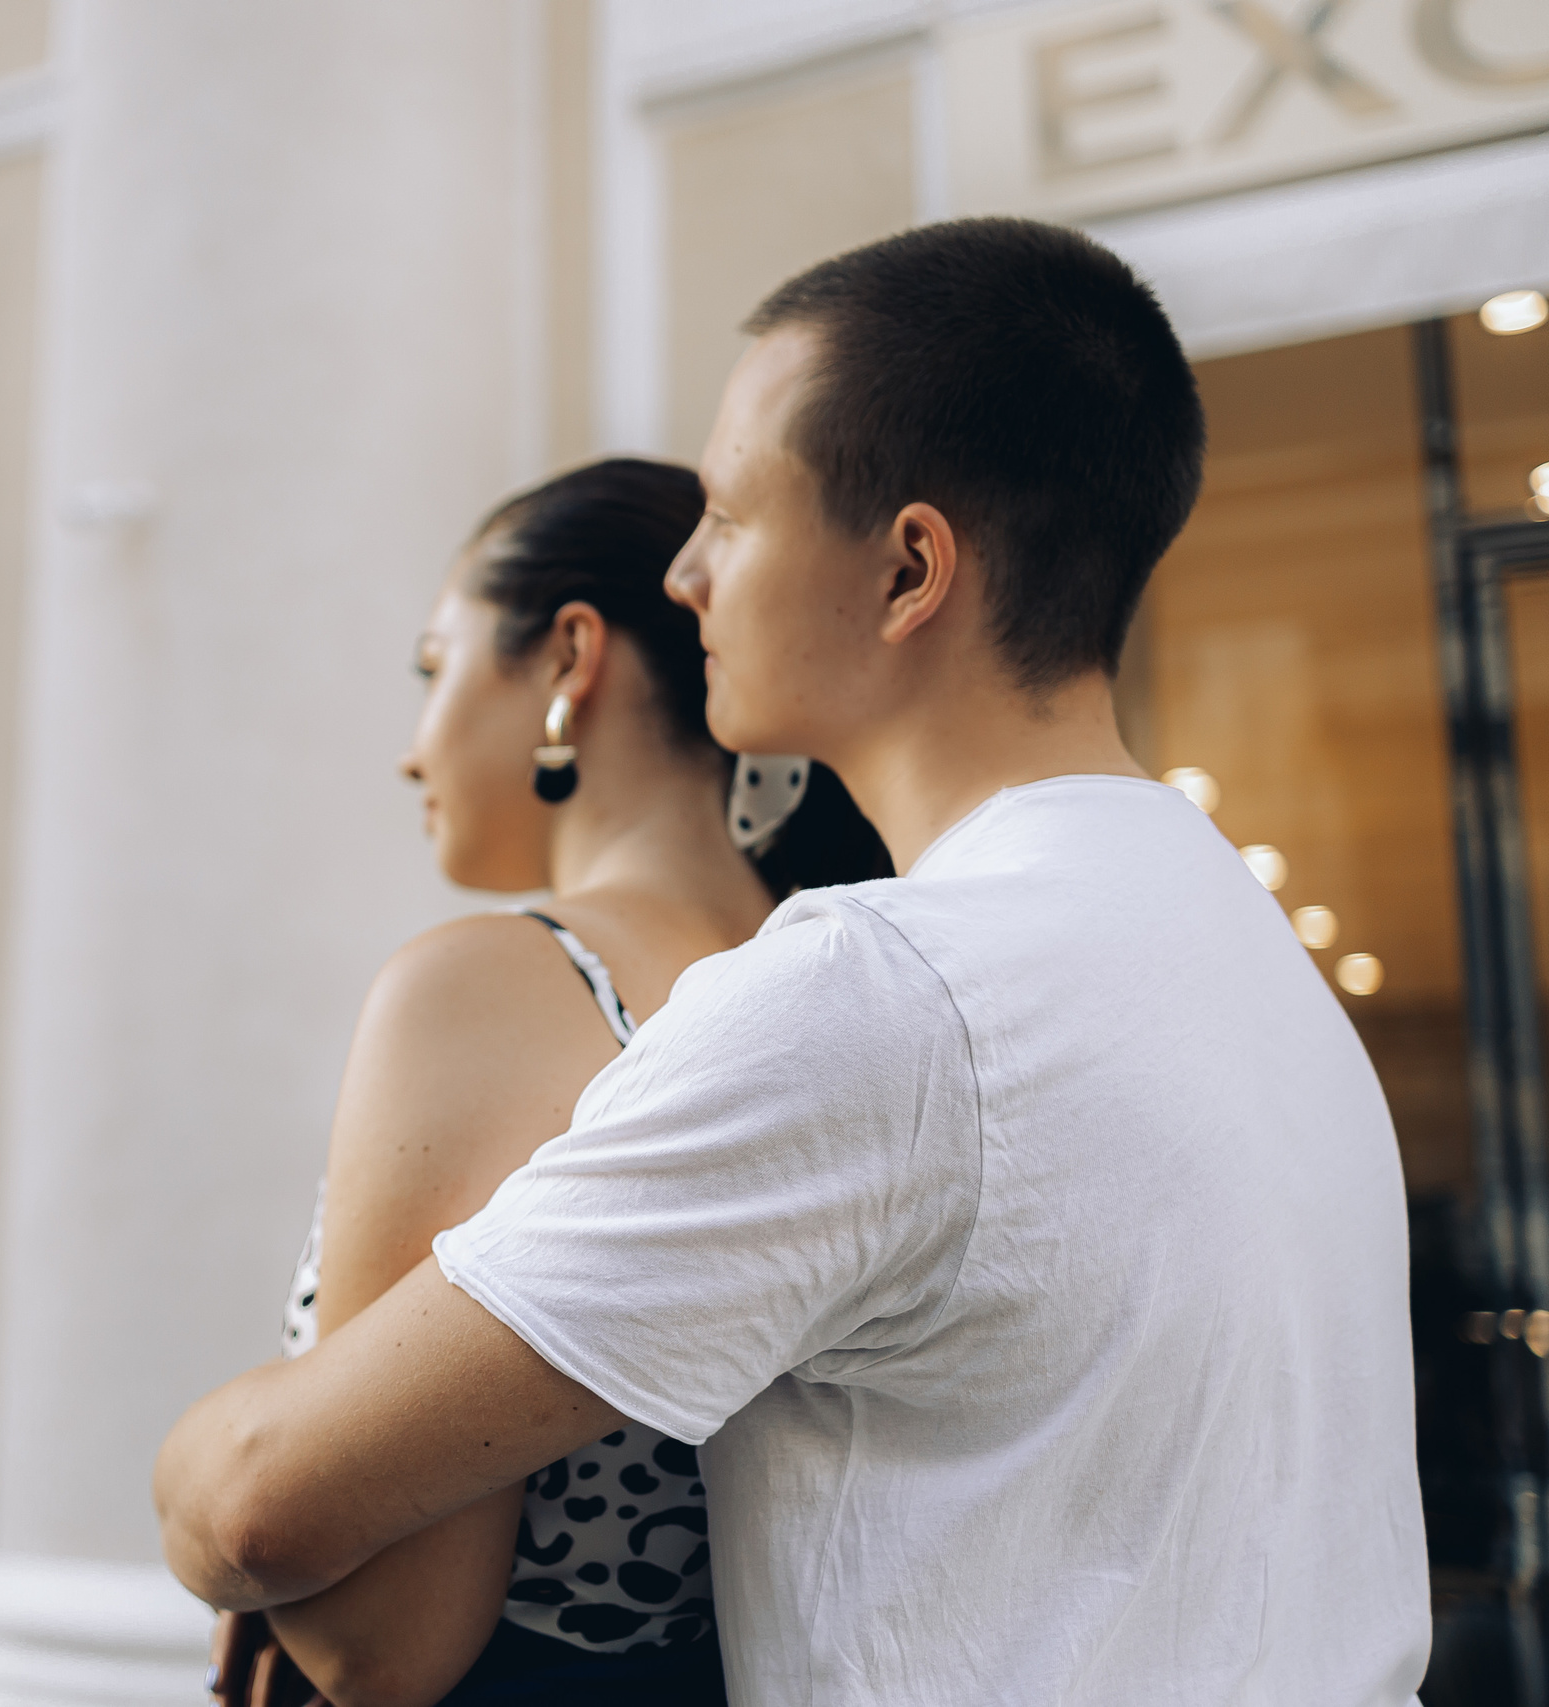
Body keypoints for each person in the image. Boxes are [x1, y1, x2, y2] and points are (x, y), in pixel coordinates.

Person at [155, 216, 1430, 1705]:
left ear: (907, 570)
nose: (687, 574)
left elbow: (263, 1501)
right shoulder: (1238, 941)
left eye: (731, 514)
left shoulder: (885, 994)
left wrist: (200, 1437)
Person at [210, 458, 888, 1707]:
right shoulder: (845, 990)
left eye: (433, 667)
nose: (412, 751)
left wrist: (220, 1462)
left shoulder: (492, 987)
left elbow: (382, 1642)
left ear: (571, 654)